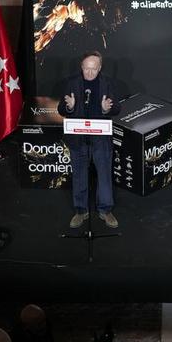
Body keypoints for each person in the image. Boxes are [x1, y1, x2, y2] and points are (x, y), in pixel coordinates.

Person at [58, 50, 122, 229]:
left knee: (104, 175)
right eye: (87, 69)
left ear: (100, 67)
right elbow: (61, 109)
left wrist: (106, 109)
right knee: (79, 175)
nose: (90, 73)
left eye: (94, 69)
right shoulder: (72, 83)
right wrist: (69, 107)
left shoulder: (108, 83)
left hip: (100, 138)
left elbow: (117, 108)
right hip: (78, 137)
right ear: (82, 66)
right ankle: (81, 211)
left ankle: (105, 210)